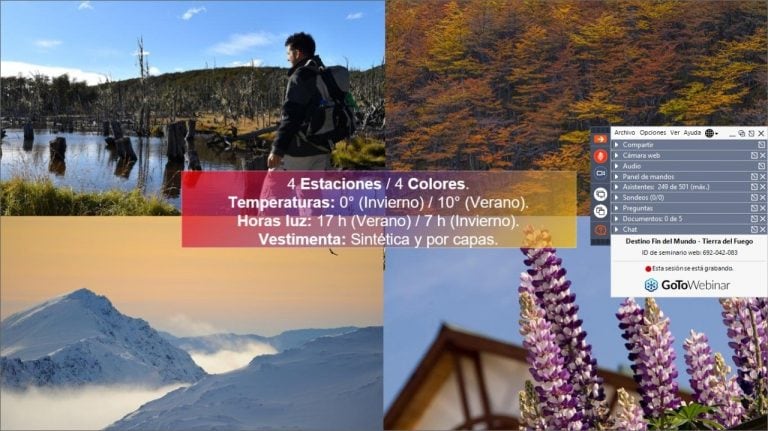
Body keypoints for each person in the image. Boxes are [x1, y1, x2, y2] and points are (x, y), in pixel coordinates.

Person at [267, 32, 331, 171]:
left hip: (298, 150)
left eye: (288, 53)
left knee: (272, 190)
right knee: (310, 192)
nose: (287, 58)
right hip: (322, 149)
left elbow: (291, 116)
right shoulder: (323, 75)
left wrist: (277, 149)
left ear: (297, 53)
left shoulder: (300, 76)